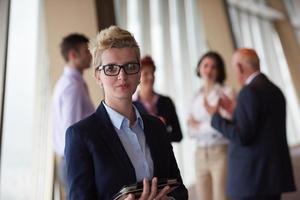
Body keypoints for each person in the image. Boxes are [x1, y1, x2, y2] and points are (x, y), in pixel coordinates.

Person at [64, 26, 188, 200]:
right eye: (111, 68)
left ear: (139, 74)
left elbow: (179, 189)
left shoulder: (156, 127)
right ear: (97, 75)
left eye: (130, 66)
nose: (122, 76)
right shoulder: (80, 135)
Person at [208, 48, 296, 200]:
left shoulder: (248, 92)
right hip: (272, 178)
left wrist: (215, 118)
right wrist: (236, 111)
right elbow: (260, 127)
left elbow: (242, 136)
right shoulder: (275, 90)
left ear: (240, 67)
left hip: (252, 180)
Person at [52, 33, 95, 199]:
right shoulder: (72, 86)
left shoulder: (70, 82)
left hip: (71, 162)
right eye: (86, 51)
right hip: (75, 162)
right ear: (72, 55)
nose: (90, 55)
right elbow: (71, 129)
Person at [187, 51, 234, 200]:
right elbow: (189, 131)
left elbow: (223, 128)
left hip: (220, 153)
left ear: (219, 71)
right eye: (205, 65)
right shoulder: (194, 97)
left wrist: (199, 125)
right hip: (200, 154)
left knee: (222, 197)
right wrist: (210, 122)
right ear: (199, 68)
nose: (209, 70)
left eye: (214, 67)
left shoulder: (226, 93)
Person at [133, 55, 183, 142]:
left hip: (164, 154)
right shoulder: (131, 106)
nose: (151, 77)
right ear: (137, 77)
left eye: (152, 73)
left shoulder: (166, 102)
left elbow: (178, 135)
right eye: (146, 74)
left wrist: (161, 132)